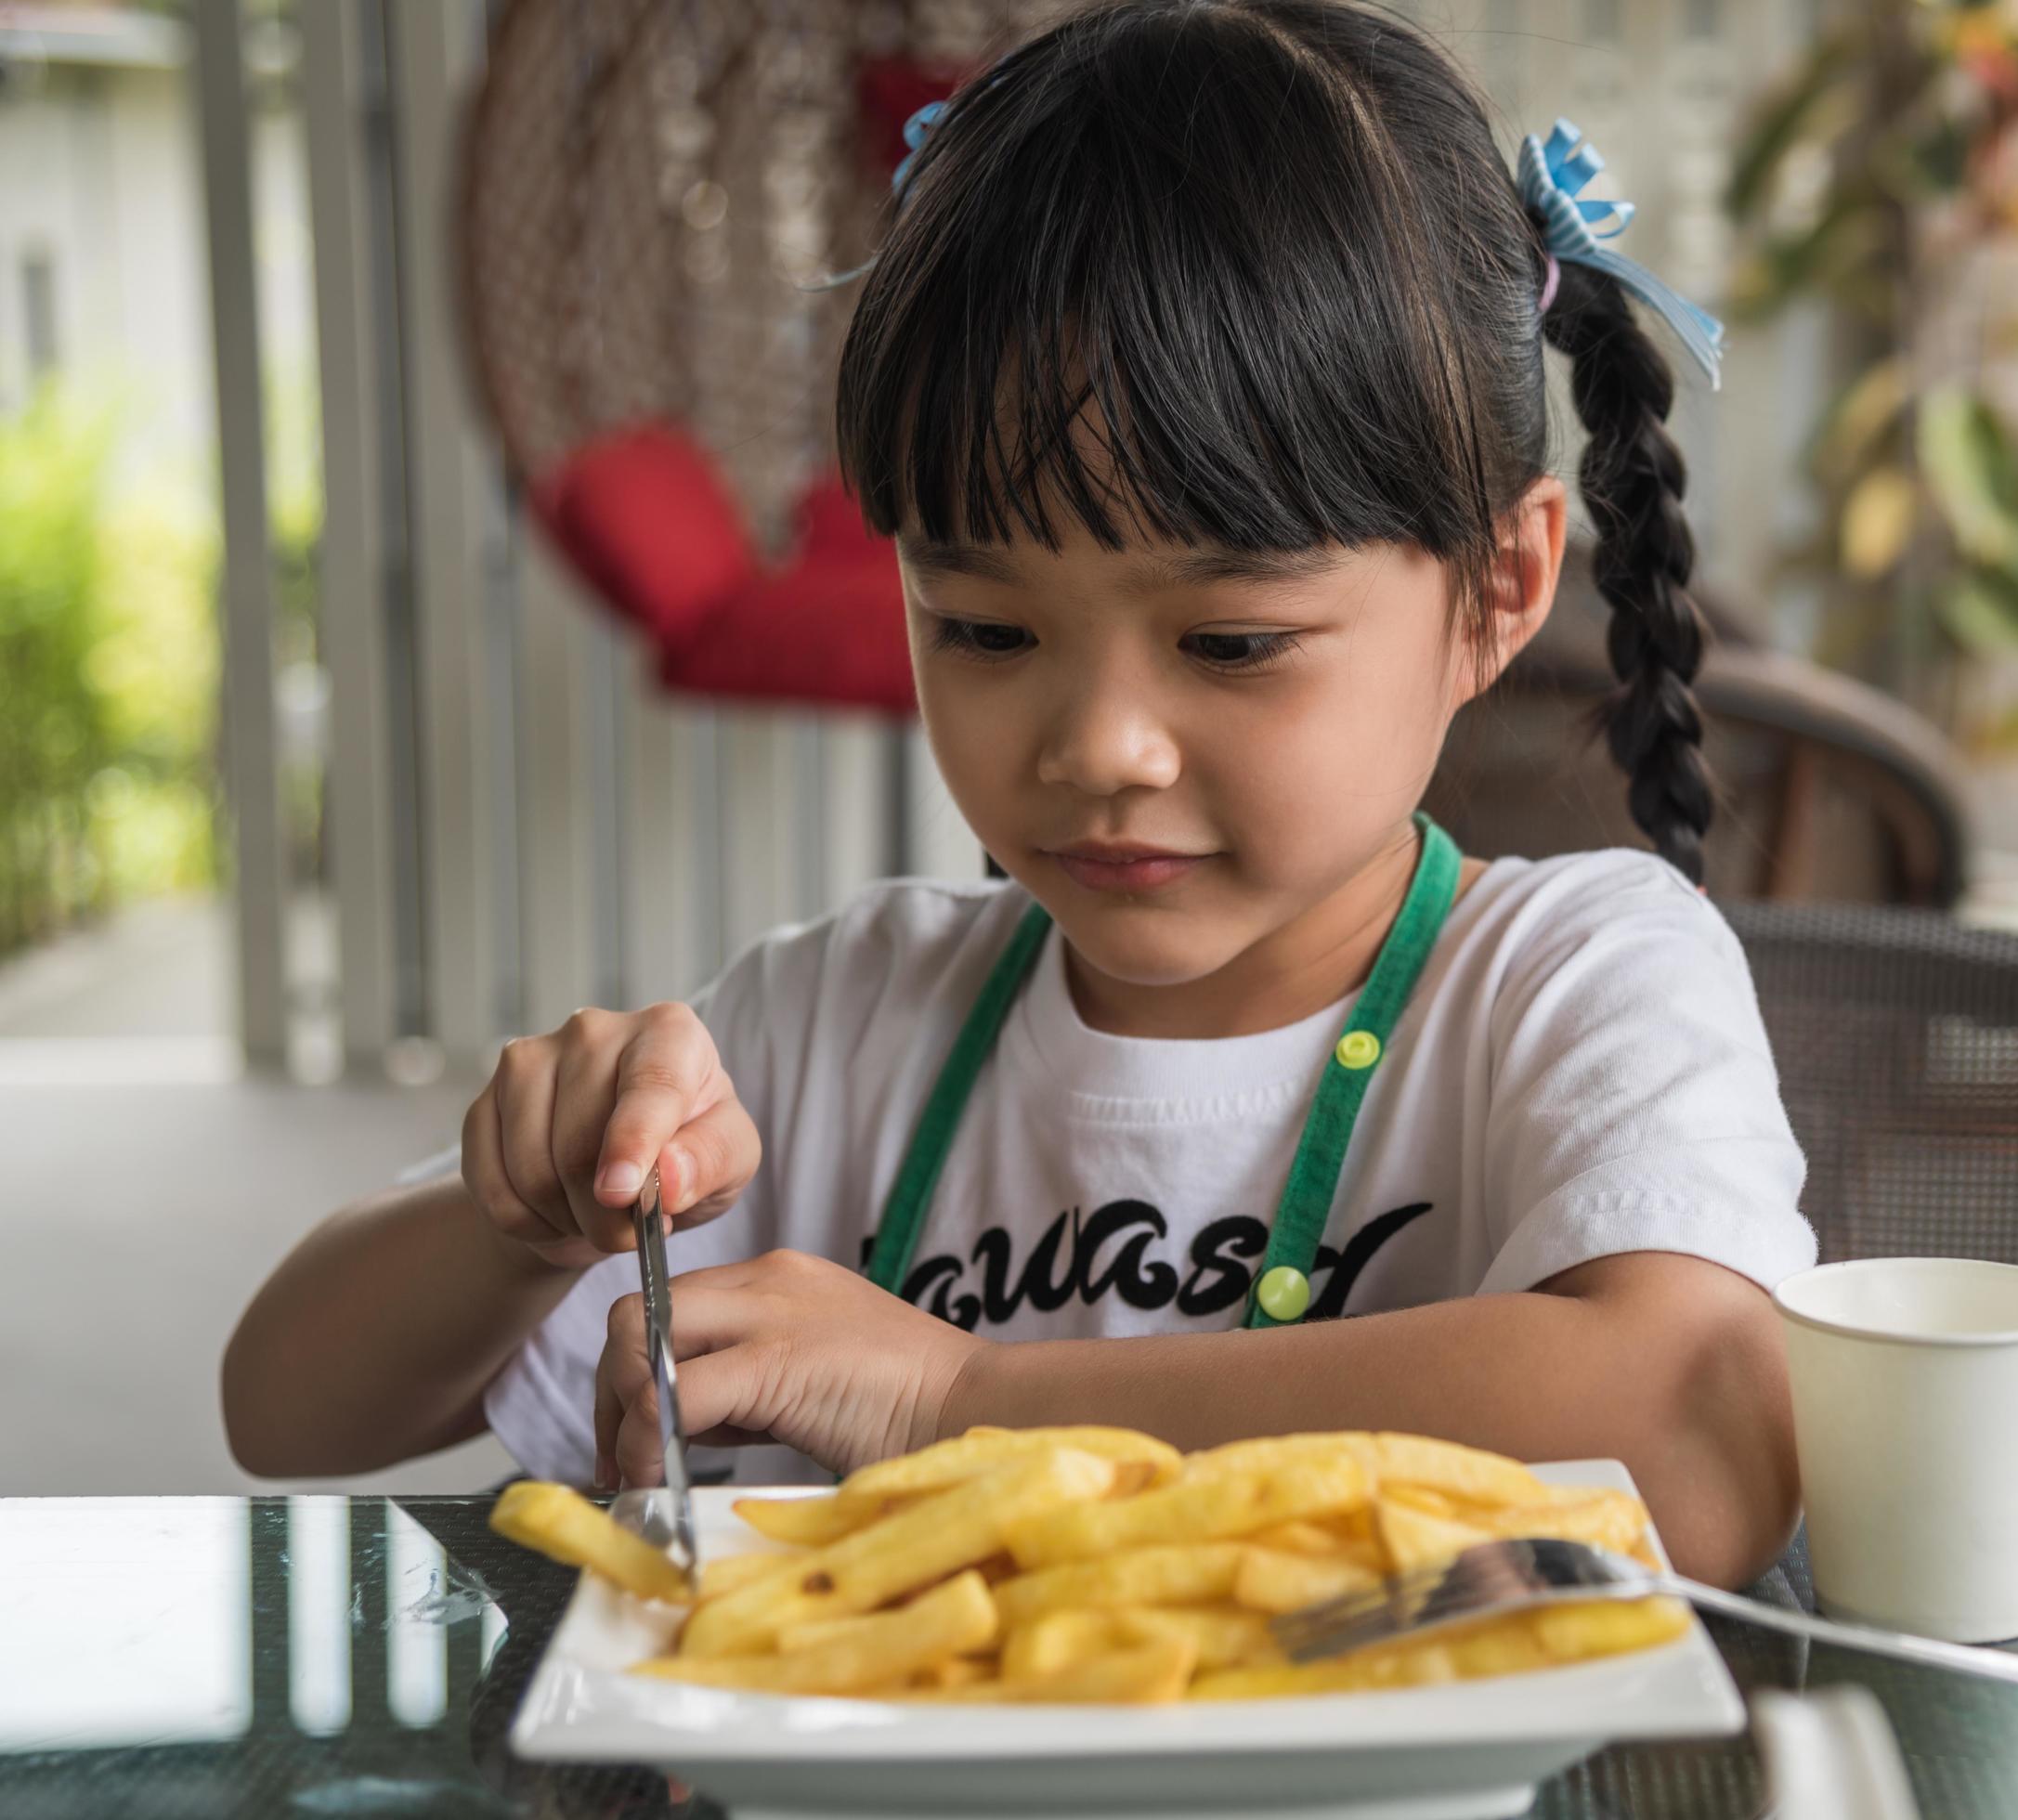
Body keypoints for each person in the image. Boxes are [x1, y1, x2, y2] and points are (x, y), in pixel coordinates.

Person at [224, 0, 1812, 1588]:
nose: (1100, 746)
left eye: (1232, 640)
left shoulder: (1573, 979)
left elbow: (1697, 1434)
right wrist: (525, 1218)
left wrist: (958, 1397)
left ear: (1500, 585)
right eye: (984, 627)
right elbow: (283, 1409)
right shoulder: (833, 1025)